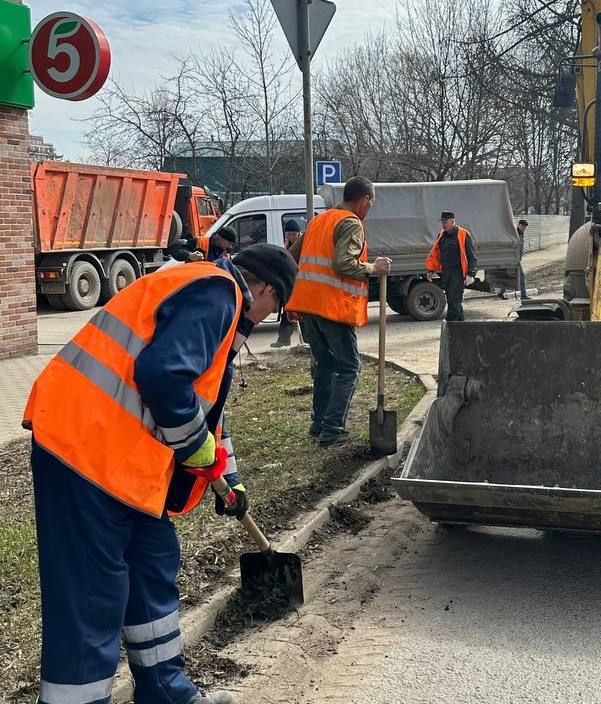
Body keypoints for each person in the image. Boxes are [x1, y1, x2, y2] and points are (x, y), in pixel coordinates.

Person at [22, 242, 298, 704]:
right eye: (277, 306)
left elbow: (205, 409)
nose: (271, 316)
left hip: (127, 464)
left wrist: (228, 476)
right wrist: (196, 451)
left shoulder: (214, 302)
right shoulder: (219, 293)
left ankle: (167, 693)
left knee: (152, 565)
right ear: (267, 288)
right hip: (83, 450)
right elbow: (164, 377)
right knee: (93, 594)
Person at [285, 176, 392, 444]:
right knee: (349, 366)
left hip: (308, 305)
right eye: (371, 203)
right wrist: (373, 268)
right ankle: (332, 429)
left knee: (326, 363)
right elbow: (343, 263)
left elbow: (292, 255)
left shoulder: (320, 220)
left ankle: (319, 423)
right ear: (364, 199)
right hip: (331, 306)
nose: (370, 208)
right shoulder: (350, 223)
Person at [425, 211, 478, 322]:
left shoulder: (463, 234)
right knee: (453, 300)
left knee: (454, 301)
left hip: (458, 273)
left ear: (452, 221)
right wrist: (431, 269)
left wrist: (471, 274)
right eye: (442, 222)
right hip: (446, 272)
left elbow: (472, 256)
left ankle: (450, 325)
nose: (443, 224)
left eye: (445, 222)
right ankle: (461, 326)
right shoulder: (441, 235)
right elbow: (437, 253)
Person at [271, 220, 303, 348]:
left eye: (294, 234)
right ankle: (284, 339)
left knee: (303, 313)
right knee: (288, 311)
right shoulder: (286, 247)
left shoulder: (303, 245)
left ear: (299, 234)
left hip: (302, 282)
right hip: (289, 282)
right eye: (289, 234)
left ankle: (307, 340)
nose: (292, 237)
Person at [168, 226, 237, 263]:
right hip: (194, 284)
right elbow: (175, 251)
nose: (230, 246)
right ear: (220, 237)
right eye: (229, 243)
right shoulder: (198, 242)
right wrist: (189, 255)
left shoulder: (226, 252)